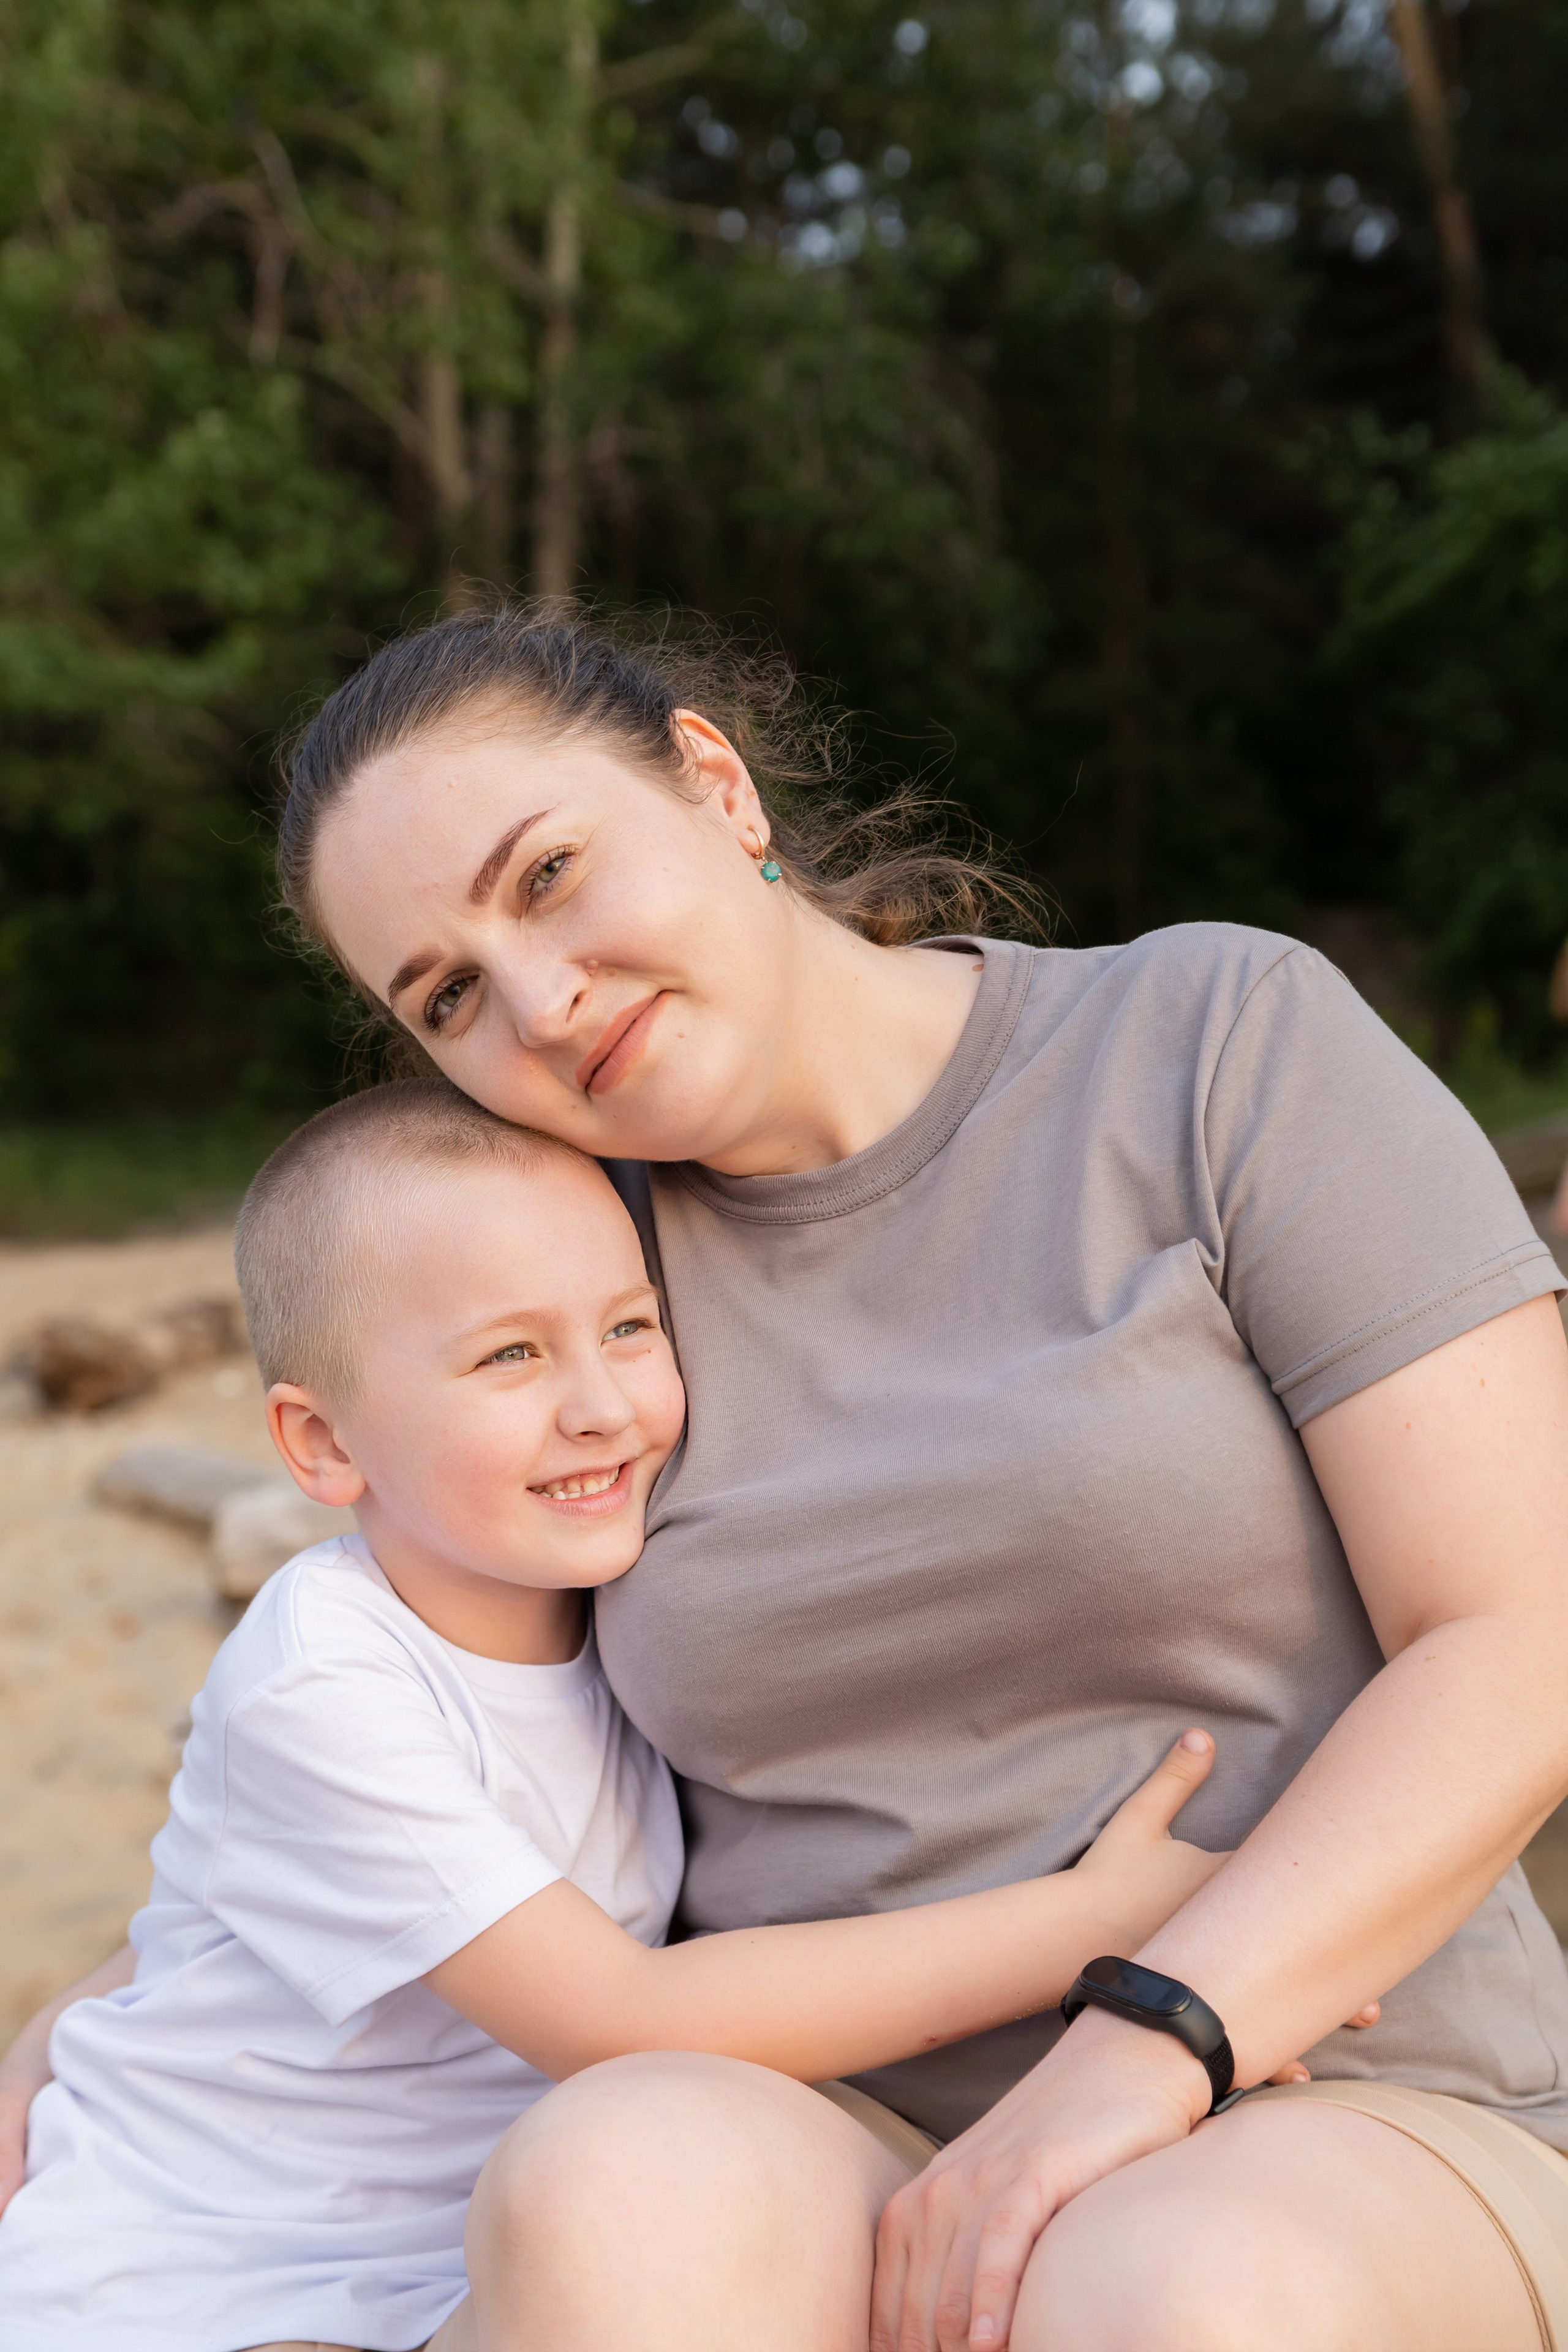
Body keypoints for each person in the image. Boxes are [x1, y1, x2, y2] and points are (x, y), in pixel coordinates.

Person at [7, 603, 1568, 2350]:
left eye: (547, 878)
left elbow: (1520, 1634)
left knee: (1166, 2293)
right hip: (835, 2127)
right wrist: (102, 2027)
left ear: (714, 785)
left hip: (1344, 2093)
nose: (535, 1000)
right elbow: (402, 1714)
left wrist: (1152, 2030)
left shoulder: (1211, 1041)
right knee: (608, 2188)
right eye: (446, 993)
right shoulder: (569, 1295)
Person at [0, 1079, 1246, 2352]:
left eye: (630, 1328)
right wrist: (1095, 1919)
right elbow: (622, 2021)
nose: (599, 1404)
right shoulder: (320, 1677)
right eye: (509, 1354)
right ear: (322, 1445)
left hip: (451, 2268)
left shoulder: (622, 1613)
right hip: (192, 2268)